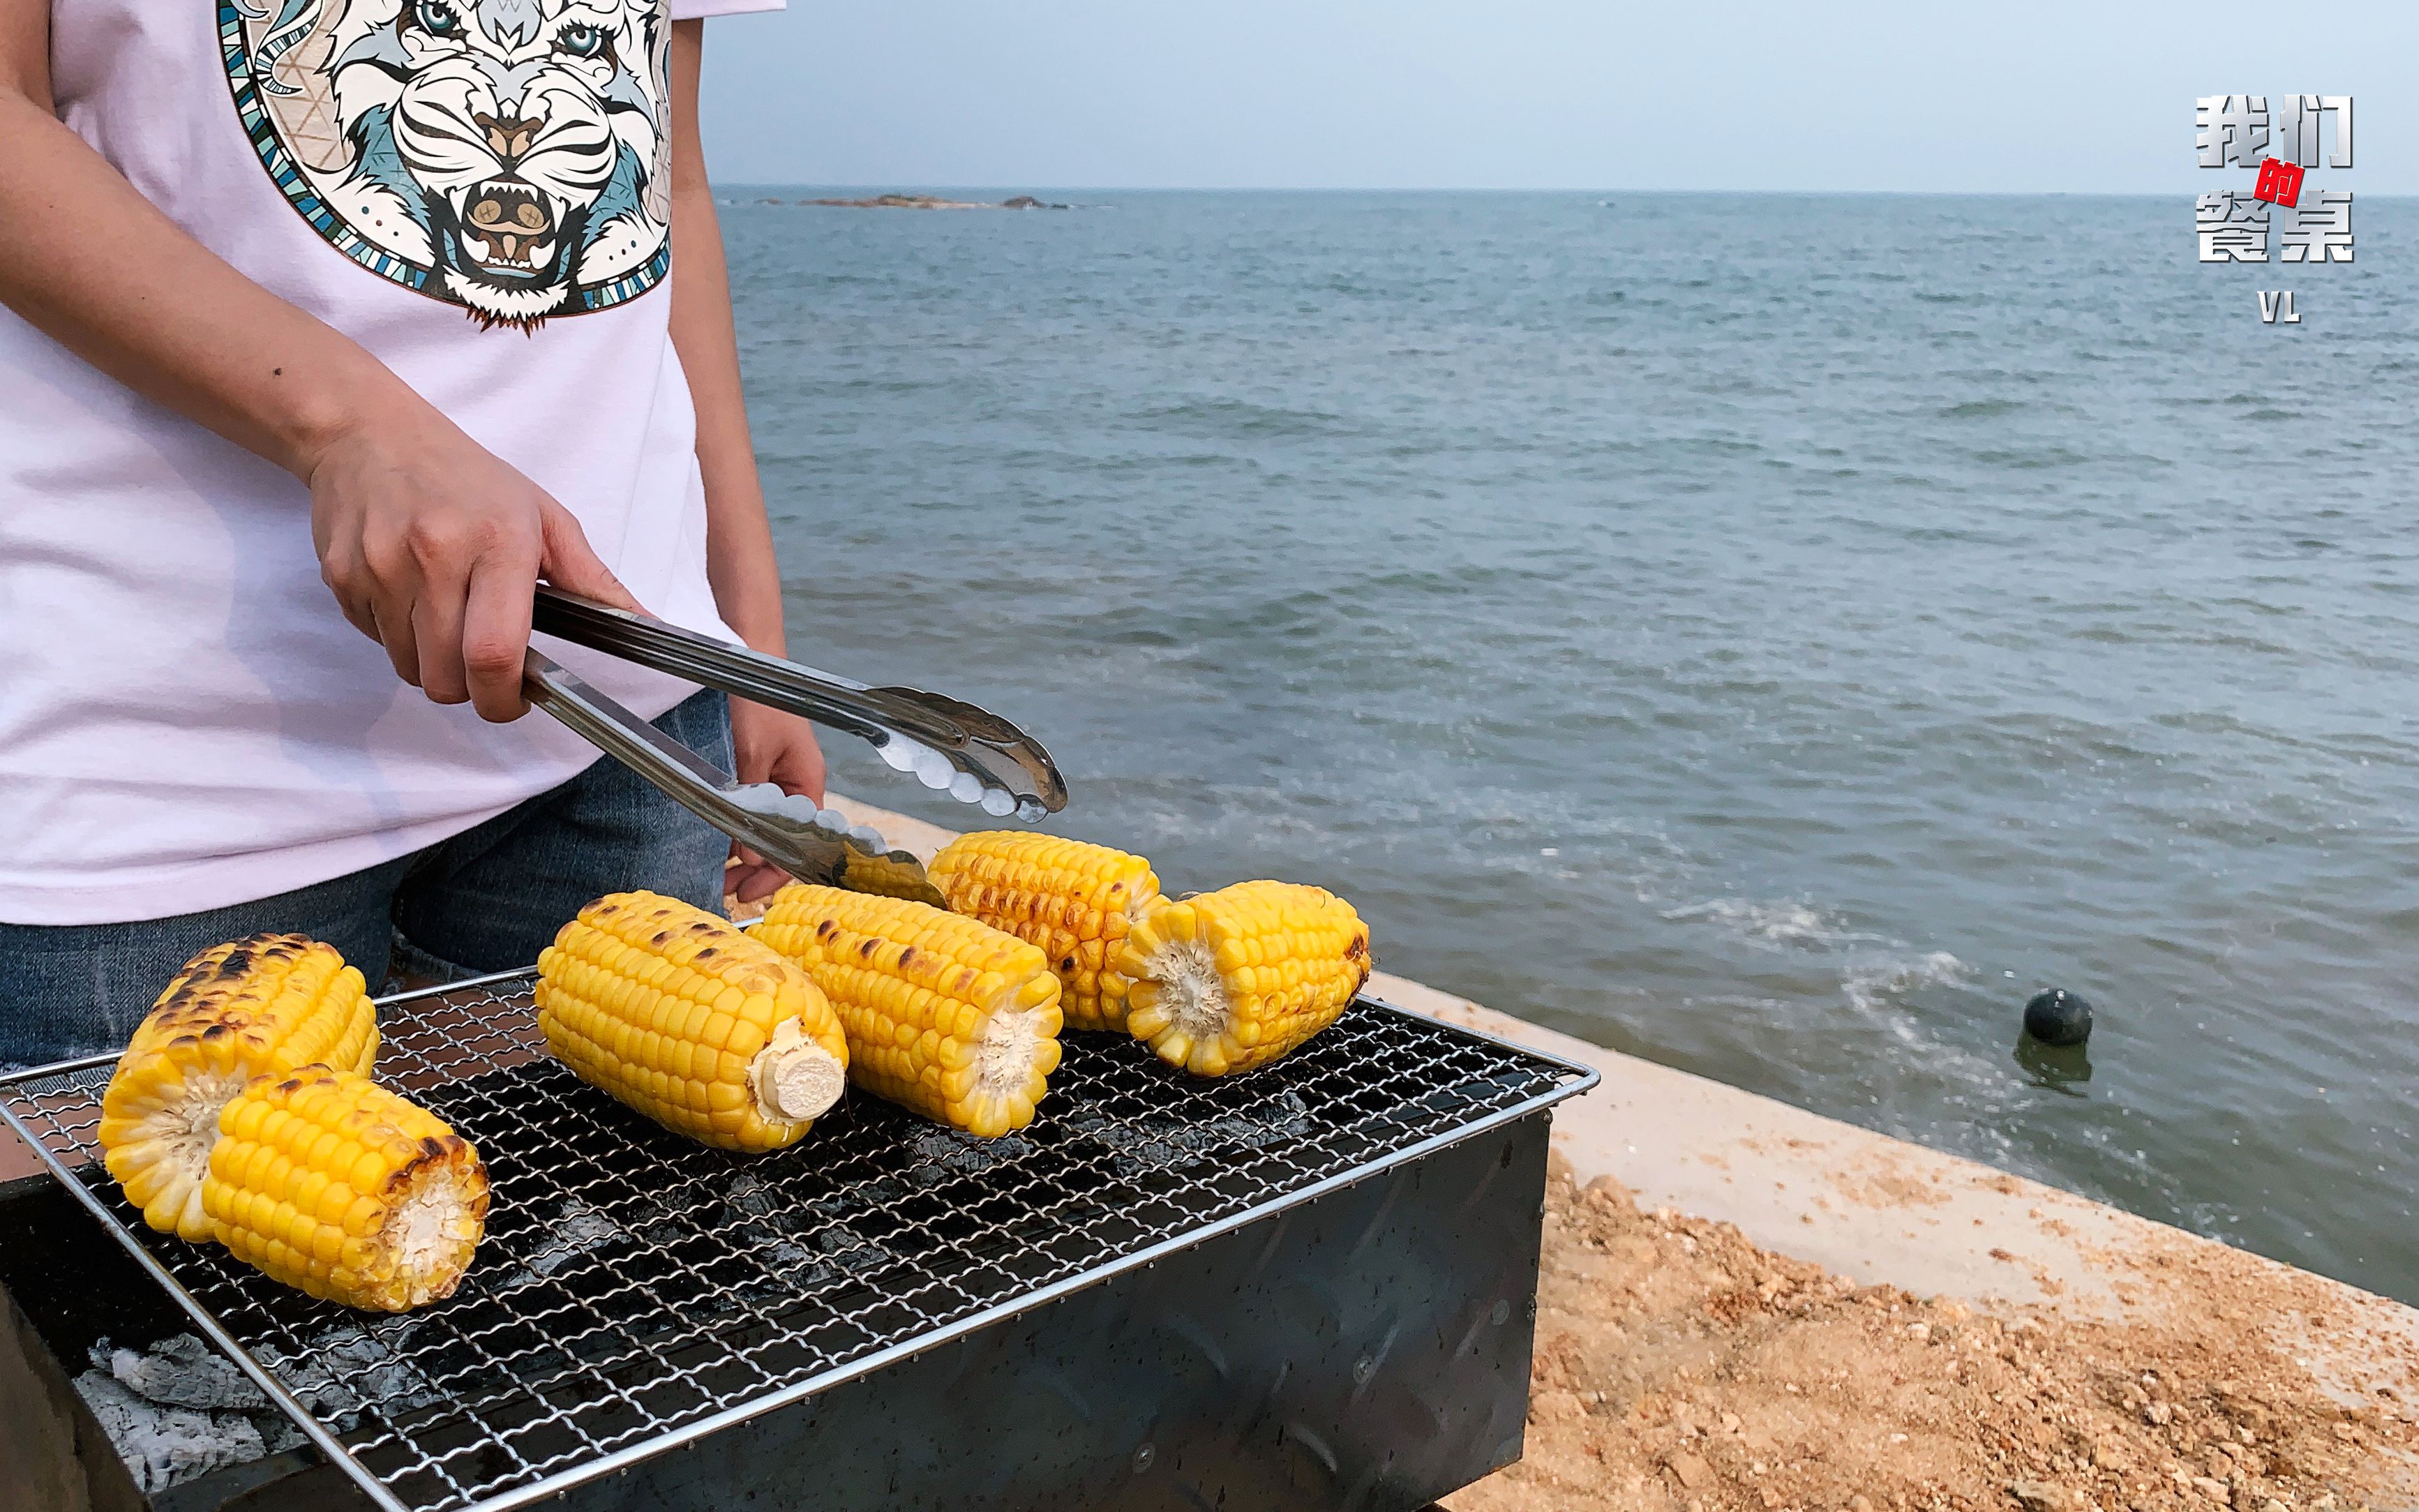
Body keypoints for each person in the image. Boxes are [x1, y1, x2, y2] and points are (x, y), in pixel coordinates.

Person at [0, 0, 823, 1066]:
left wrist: (743, 641)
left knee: (611, 1230)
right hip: (169, 760)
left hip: (630, 727)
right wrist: (348, 425)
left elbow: (670, 185)